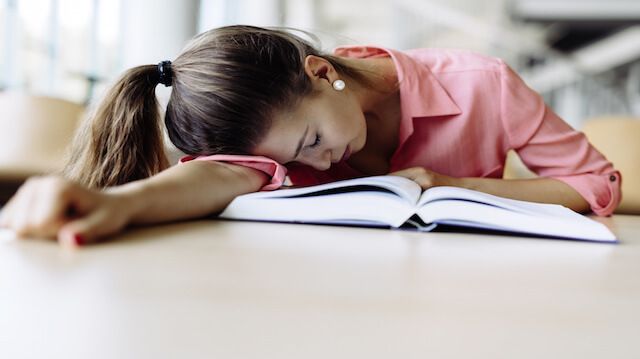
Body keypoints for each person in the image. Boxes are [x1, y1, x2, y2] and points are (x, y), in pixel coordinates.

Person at [0, 25, 621, 246]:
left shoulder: (483, 84)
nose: (321, 163)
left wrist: (450, 186)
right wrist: (118, 203)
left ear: (322, 73)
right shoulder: (266, 123)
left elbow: (596, 182)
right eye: (301, 159)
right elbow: (220, 175)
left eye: (311, 143)